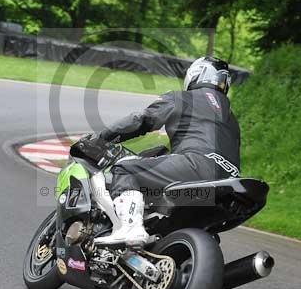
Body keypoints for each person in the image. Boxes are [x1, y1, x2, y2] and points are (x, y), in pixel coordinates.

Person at [93, 57, 241, 246]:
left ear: (195, 75)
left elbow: (141, 120)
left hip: (196, 166)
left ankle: (130, 227)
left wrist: (102, 138)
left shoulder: (182, 98)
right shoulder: (232, 119)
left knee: (125, 169)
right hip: (229, 180)